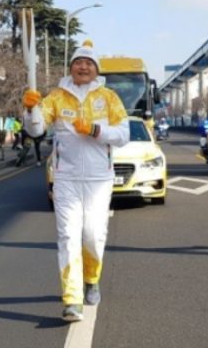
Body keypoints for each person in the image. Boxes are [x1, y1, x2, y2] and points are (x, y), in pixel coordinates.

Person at [21, 41, 130, 322]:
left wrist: (95, 130)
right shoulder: (57, 97)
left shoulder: (108, 97)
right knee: (68, 236)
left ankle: (91, 278)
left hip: (98, 179)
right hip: (67, 177)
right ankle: (72, 299)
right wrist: (30, 109)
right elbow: (35, 130)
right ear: (71, 67)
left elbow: (123, 133)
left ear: (96, 70)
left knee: (93, 235)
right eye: (78, 62)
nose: (83, 67)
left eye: (89, 63)